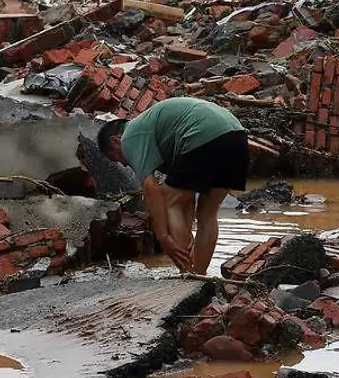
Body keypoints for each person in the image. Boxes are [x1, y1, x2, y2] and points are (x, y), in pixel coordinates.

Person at [98, 97, 250, 275]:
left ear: (115, 141)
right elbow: (186, 196)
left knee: (169, 201)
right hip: (237, 137)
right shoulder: (158, 132)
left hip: (203, 134)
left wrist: (164, 238)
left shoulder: (130, 135)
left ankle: (187, 270)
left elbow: (151, 189)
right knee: (207, 214)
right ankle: (199, 275)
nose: (123, 164)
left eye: (115, 157)